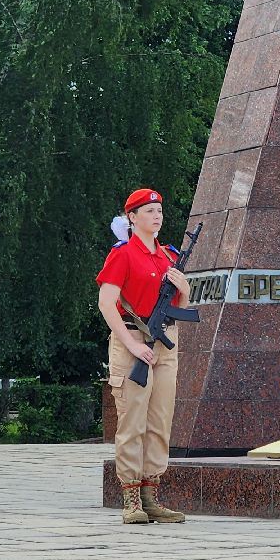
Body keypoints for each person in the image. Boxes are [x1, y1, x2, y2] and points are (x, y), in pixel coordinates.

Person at [97, 188, 192, 525]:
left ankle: (152, 493)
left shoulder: (169, 256)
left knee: (160, 421)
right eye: (148, 211)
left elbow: (179, 308)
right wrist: (132, 344)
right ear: (132, 218)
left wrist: (184, 289)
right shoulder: (122, 254)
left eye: (159, 211)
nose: (156, 216)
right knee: (133, 421)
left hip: (165, 342)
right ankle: (131, 497)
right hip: (133, 339)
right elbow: (107, 303)